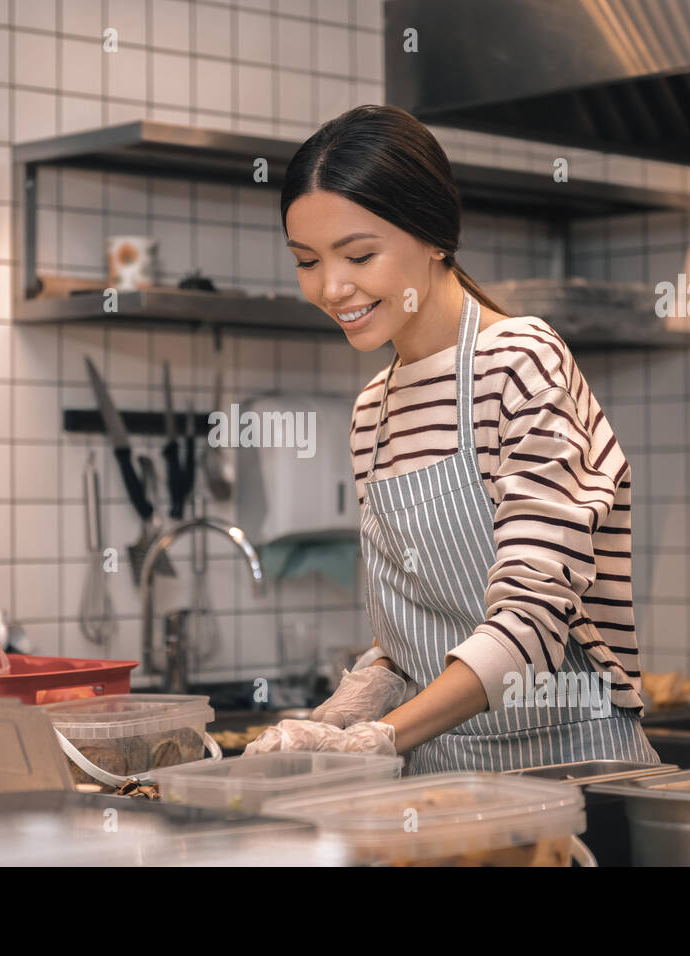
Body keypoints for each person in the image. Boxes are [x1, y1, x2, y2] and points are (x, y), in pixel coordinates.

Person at [245, 105, 662, 772]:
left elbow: (531, 624)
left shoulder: (520, 362)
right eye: (306, 261)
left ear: (434, 235)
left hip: (570, 774)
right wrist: (349, 705)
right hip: (437, 785)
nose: (331, 287)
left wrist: (378, 738)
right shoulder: (372, 413)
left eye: (359, 255)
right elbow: (411, 631)